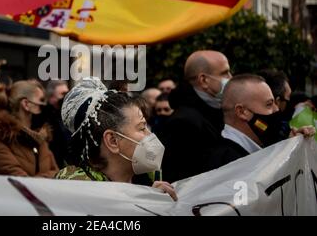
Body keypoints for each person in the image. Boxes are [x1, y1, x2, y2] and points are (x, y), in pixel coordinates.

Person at [55, 78, 177, 201]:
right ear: (113, 141)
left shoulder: (148, 177)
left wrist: (155, 202)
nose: (149, 135)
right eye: (141, 128)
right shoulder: (77, 192)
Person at [206, 74, 316, 170]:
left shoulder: (258, 147)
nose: (276, 109)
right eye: (269, 104)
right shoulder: (227, 164)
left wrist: (290, 145)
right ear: (242, 112)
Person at [154, 50, 232, 182]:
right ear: (204, 80)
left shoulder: (216, 110)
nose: (230, 77)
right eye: (224, 73)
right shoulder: (183, 124)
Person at [0, 80, 59, 177]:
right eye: (41, 101)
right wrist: (47, 178)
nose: (44, 106)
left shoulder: (40, 141)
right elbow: (20, 181)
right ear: (26, 104)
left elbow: (58, 174)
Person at [42, 80, 72, 168]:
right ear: (51, 97)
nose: (66, 97)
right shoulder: (43, 117)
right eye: (63, 94)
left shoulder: (68, 114)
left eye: (67, 93)